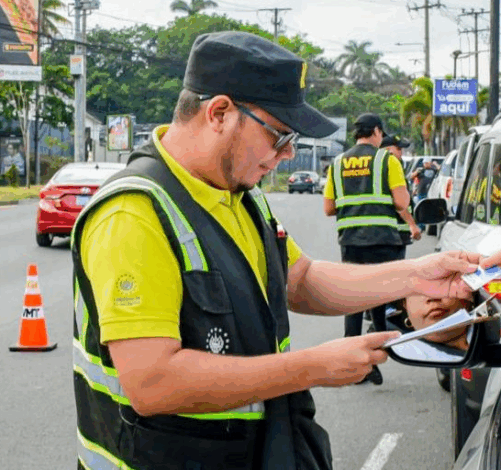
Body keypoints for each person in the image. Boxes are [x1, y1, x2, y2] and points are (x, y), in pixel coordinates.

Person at [70, 31, 500, 470]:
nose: (289, 153)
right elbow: (154, 383)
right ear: (219, 113)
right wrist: (313, 367)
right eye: (279, 136)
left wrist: (418, 274)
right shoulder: (134, 214)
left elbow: (300, 280)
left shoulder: (240, 192)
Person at [323, 113, 410, 385]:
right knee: (378, 297)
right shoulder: (387, 160)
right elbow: (401, 202)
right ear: (375, 132)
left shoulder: (337, 163)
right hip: (382, 239)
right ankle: (374, 356)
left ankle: (356, 362)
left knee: (354, 299)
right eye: (381, 134)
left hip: (350, 241)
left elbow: (328, 208)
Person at [381, 134, 422, 248]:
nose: (401, 153)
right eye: (398, 149)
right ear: (387, 149)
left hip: (391, 232)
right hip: (394, 232)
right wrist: (412, 225)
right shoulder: (390, 165)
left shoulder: (390, 166)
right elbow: (399, 202)